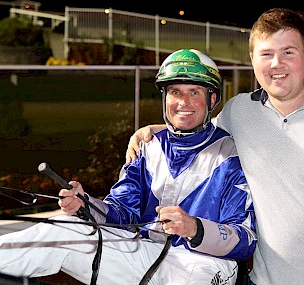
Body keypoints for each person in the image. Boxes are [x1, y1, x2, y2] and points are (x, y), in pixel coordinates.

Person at [125, 8, 304, 285]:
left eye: (288, 52)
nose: (277, 64)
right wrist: (153, 130)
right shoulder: (240, 112)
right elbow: (200, 129)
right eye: (266, 54)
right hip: (264, 280)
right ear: (253, 59)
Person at [0, 48, 257, 285]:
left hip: (204, 263)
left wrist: (195, 228)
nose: (183, 102)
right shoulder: (147, 145)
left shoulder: (232, 154)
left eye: (194, 92)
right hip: (143, 250)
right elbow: (122, 213)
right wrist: (86, 204)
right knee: (62, 230)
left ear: (212, 99)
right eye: (175, 92)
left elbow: (245, 239)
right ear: (165, 97)